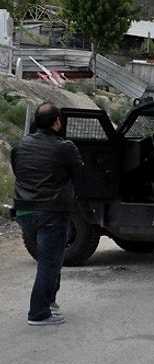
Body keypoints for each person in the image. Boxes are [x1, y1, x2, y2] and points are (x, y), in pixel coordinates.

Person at [11, 102, 84, 326]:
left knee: (49, 260)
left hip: (24, 210)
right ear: (57, 122)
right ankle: (39, 313)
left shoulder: (20, 145)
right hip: (51, 212)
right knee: (49, 263)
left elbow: (18, 171)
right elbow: (79, 170)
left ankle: (49, 301)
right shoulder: (64, 147)